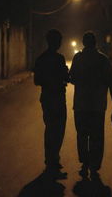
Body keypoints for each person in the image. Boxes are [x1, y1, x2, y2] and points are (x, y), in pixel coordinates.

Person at [69, 31, 112, 179]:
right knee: (97, 136)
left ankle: (84, 162)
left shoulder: (78, 58)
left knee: (82, 135)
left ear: (84, 43)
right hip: (98, 106)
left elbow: (71, 78)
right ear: (95, 43)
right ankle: (94, 165)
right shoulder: (103, 59)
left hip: (81, 106)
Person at [33, 29, 69, 178]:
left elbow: (36, 81)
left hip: (47, 98)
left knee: (50, 130)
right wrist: (62, 76)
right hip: (58, 98)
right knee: (58, 131)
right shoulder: (59, 59)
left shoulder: (40, 59)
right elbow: (66, 78)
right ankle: (53, 162)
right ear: (56, 42)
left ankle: (51, 160)